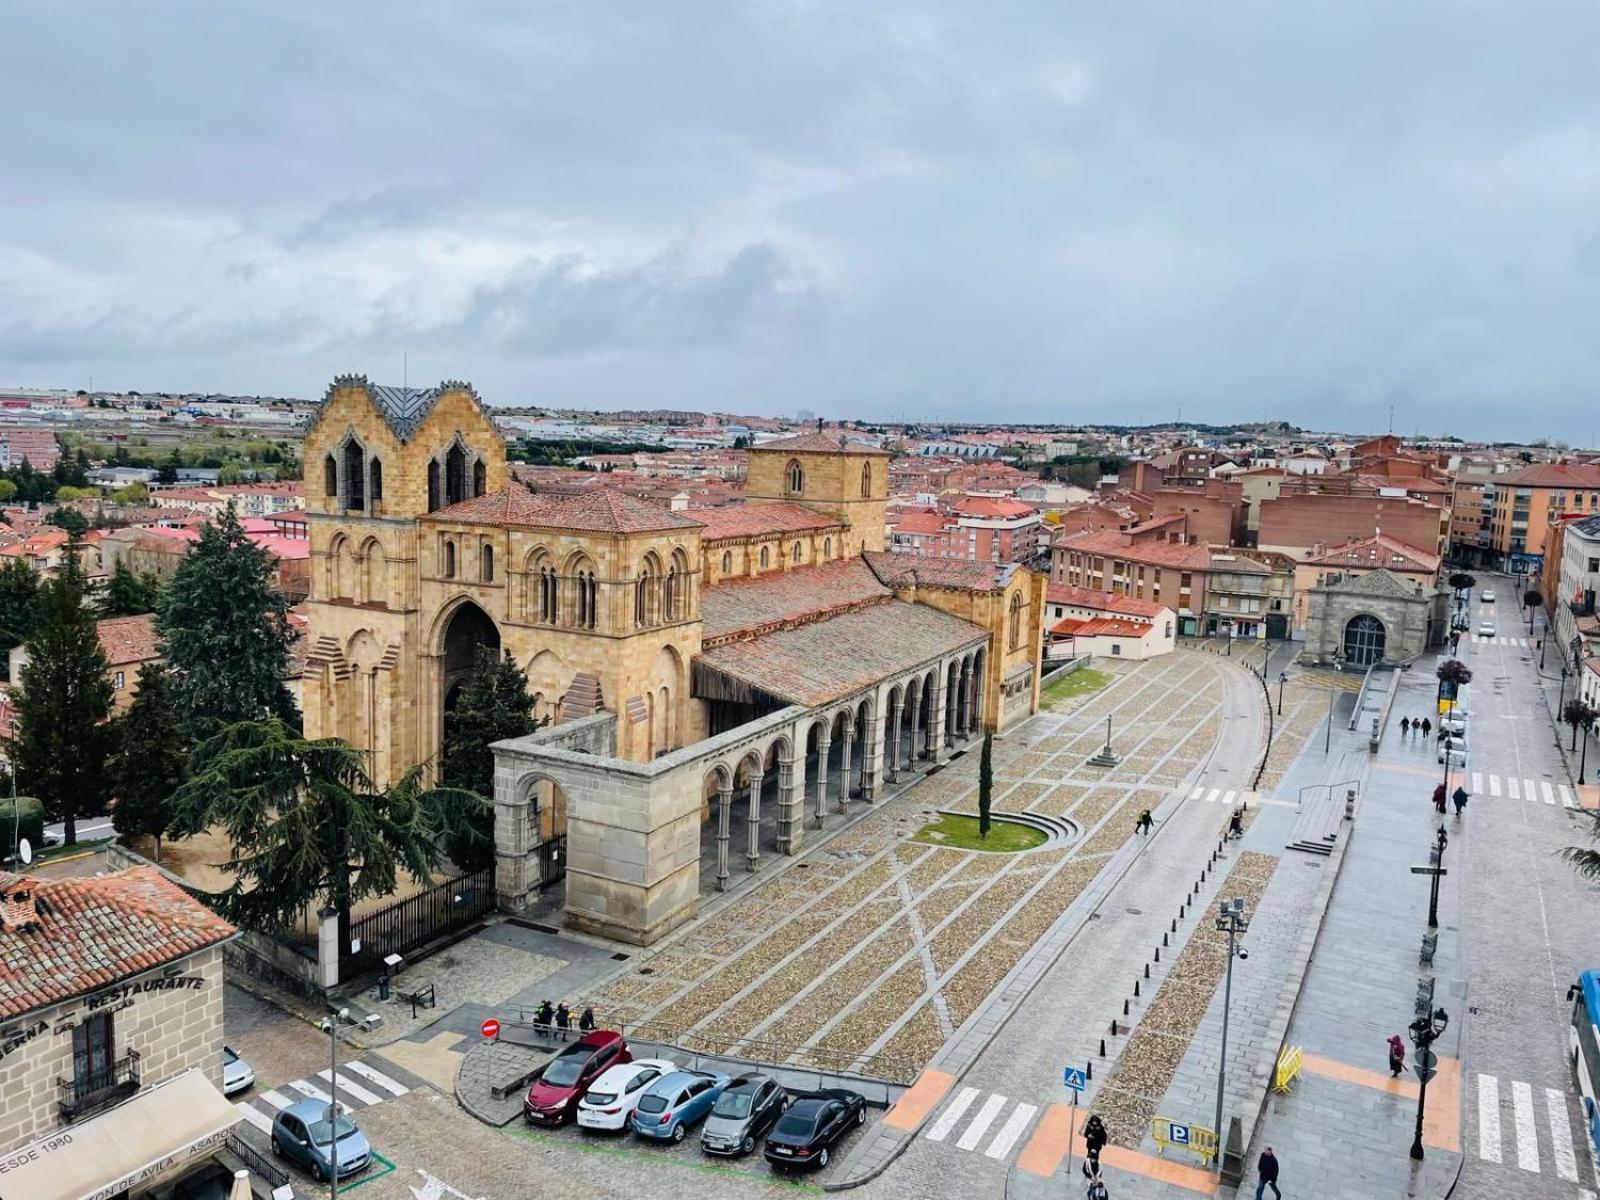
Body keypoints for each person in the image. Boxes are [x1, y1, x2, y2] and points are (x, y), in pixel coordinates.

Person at [1082, 1114, 1108, 1179]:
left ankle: (1095, 1170)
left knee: (1095, 1156)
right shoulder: (1090, 1126)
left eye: (1095, 1122)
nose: (1094, 1123)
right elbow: (1086, 1133)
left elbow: (1103, 1136)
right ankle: (1087, 1168)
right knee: (1089, 1155)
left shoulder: (1100, 1128)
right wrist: (1089, 1136)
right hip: (1090, 1144)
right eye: (1093, 1121)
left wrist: (1097, 1137)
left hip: (1096, 1145)